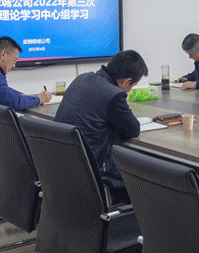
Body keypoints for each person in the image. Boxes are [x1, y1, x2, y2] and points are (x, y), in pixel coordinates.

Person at [53, 50, 148, 199]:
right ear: (126, 82)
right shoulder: (113, 94)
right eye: (133, 85)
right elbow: (133, 130)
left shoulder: (81, 78)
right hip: (91, 177)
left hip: (60, 169)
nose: (130, 90)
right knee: (145, 179)